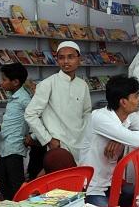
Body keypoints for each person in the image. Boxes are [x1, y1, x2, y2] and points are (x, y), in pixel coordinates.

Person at [80, 76, 139, 207]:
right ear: (123, 102)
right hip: (92, 188)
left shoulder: (130, 116)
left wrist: (121, 138)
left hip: (113, 184)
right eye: (136, 96)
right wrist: (125, 137)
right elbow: (137, 141)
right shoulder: (100, 118)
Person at [25, 41, 91, 171]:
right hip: (59, 146)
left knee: (79, 182)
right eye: (61, 57)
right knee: (60, 186)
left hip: (80, 144)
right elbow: (30, 114)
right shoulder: (48, 84)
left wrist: (85, 137)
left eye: (70, 57)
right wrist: (48, 139)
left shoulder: (82, 85)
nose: (66, 61)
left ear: (79, 59)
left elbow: (86, 113)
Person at [0, 63, 31, 200]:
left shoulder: (24, 99)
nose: (1, 82)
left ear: (15, 82)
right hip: (6, 146)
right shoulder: (13, 96)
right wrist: (1, 126)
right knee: (4, 182)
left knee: (16, 184)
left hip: (14, 147)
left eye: (4, 80)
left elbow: (34, 116)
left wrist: (31, 136)